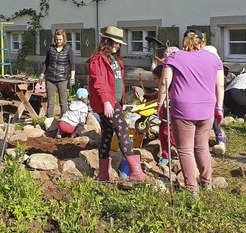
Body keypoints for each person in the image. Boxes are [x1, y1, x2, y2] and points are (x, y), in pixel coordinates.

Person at [158, 31, 224, 196]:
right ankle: (207, 182)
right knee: (202, 147)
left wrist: (160, 104)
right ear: (202, 43)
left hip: (182, 109)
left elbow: (165, 83)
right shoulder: (214, 59)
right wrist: (219, 108)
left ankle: (192, 189)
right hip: (207, 108)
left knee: (185, 149)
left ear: (184, 42)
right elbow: (220, 86)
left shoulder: (175, 57)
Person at [88, 26, 146, 181]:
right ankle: (136, 172)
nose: (117, 46)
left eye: (119, 44)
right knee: (123, 131)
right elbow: (99, 82)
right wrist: (107, 102)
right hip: (107, 103)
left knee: (107, 134)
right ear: (106, 41)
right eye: (115, 43)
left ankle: (103, 174)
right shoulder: (97, 60)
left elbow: (117, 82)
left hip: (114, 102)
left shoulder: (115, 60)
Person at [41, 29, 76, 126]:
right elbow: (46, 63)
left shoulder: (68, 49)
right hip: (50, 78)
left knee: (63, 101)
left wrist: (72, 77)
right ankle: (49, 122)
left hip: (62, 78)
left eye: (60, 39)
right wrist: (42, 74)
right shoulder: (50, 48)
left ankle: (64, 121)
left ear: (64, 39)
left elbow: (72, 64)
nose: (58, 41)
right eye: (56, 39)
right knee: (50, 100)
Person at [202, 45, 227, 153]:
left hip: (205, 96)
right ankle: (220, 139)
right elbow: (220, 85)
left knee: (204, 121)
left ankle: (202, 145)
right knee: (215, 120)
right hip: (215, 96)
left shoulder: (202, 65)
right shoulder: (217, 64)